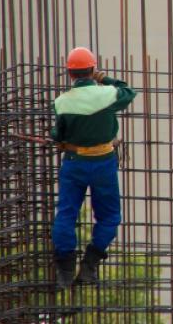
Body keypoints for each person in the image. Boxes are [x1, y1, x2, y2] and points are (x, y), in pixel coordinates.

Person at [51, 47, 137, 288]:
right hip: (103, 163)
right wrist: (104, 78)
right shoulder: (107, 94)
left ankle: (65, 272)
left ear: (70, 74)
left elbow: (59, 134)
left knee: (66, 214)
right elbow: (129, 91)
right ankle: (89, 265)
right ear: (92, 70)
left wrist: (58, 137)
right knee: (109, 217)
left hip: (74, 163)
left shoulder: (62, 102)